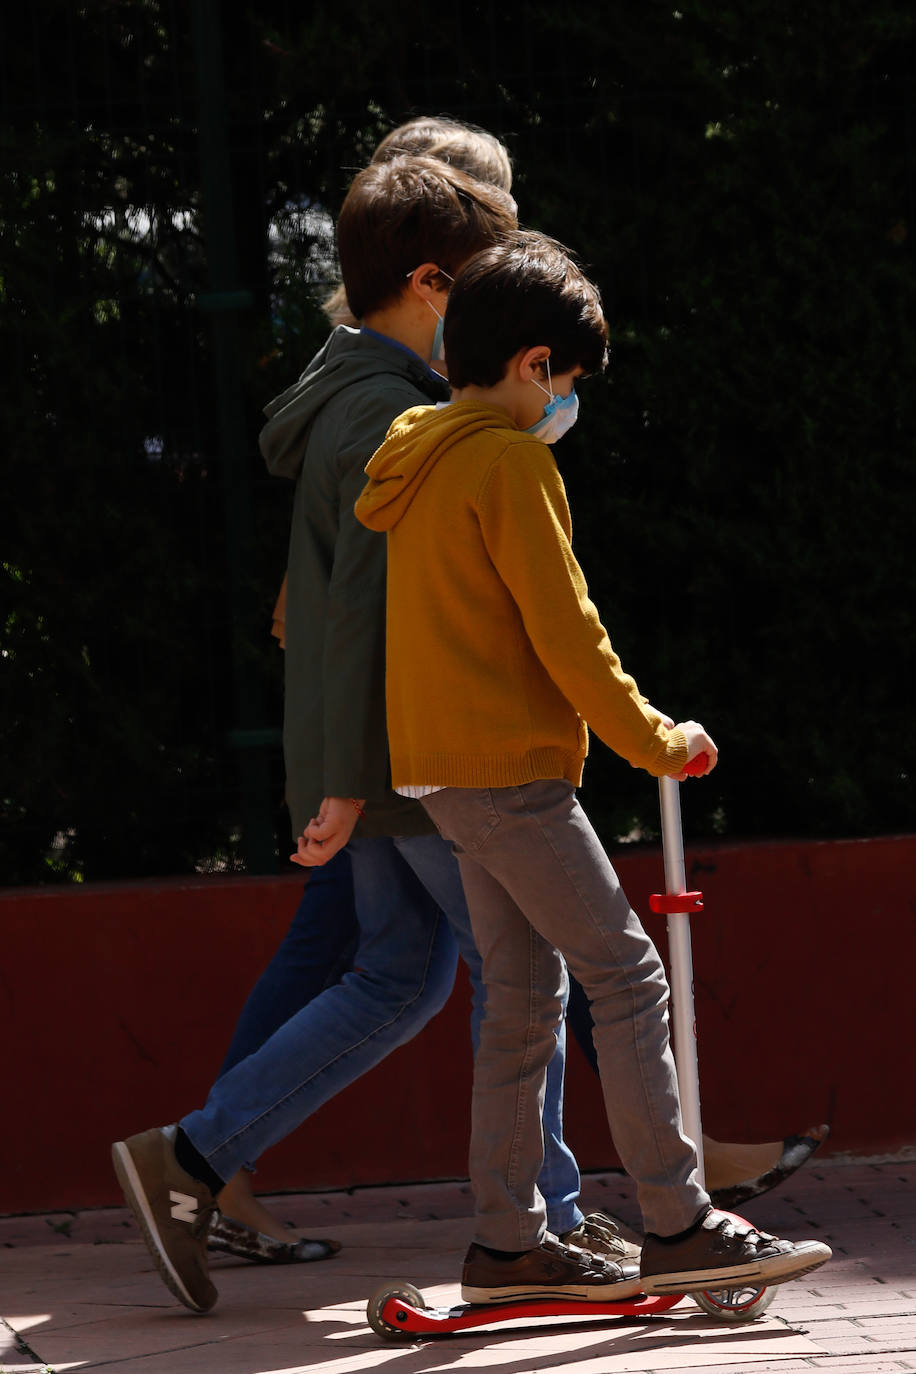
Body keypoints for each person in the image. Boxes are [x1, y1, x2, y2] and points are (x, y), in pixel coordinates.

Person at [112, 154, 619, 1317]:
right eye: (482, 288)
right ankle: (537, 1225)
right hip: (421, 757)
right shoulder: (394, 418)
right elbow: (362, 624)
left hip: (391, 756)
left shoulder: (359, 400)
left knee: (399, 975)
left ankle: (187, 1159)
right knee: (515, 966)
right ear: (432, 285)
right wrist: (343, 779)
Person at [354, 229, 832, 1302]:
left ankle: (507, 1242)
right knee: (628, 975)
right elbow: (569, 633)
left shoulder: (417, 458)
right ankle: (678, 1221)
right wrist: (656, 738)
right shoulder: (510, 462)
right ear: (532, 364)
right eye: (563, 381)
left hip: (443, 770)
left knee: (523, 995)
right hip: (512, 773)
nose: (563, 403)